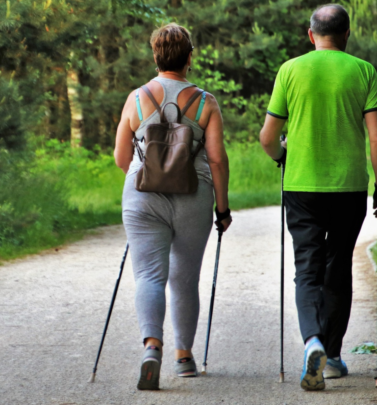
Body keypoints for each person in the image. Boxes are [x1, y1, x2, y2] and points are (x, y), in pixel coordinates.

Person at [260, 4, 377, 391]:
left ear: (310, 34)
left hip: (300, 186)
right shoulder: (363, 70)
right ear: (346, 34)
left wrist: (283, 157)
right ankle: (332, 357)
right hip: (349, 187)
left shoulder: (290, 70)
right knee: (338, 268)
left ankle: (312, 341)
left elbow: (268, 137)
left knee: (307, 268)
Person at [114, 23, 232, 391]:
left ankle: (152, 347)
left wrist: (148, 170)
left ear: (155, 56)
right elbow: (216, 160)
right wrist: (222, 208)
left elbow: (120, 157)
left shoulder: (136, 98)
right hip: (192, 196)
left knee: (149, 275)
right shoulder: (205, 102)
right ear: (189, 57)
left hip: (142, 196)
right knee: (184, 279)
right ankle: (183, 357)